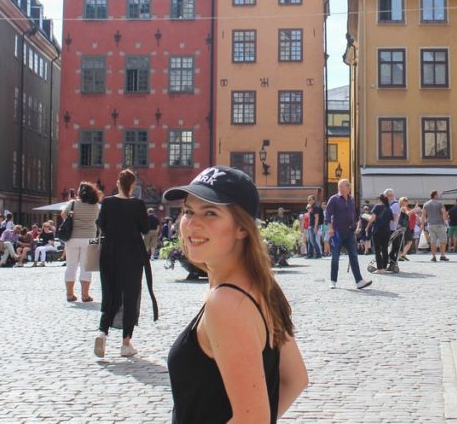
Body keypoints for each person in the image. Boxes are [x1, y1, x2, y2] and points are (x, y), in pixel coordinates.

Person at [164, 165, 308, 422]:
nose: (193, 224)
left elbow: (252, 420)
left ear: (242, 228)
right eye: (188, 211)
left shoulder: (227, 302)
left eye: (210, 213)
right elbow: (295, 379)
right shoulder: (260, 286)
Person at [94, 169, 158, 358]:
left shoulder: (107, 202)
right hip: (132, 253)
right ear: (132, 185)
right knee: (130, 295)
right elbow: (145, 228)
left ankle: (102, 333)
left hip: (110, 252)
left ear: (117, 183)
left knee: (110, 293)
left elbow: (101, 224)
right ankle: (126, 343)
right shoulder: (138, 204)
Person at [325, 179, 372, 290]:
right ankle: (333, 281)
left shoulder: (351, 199)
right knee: (335, 257)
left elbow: (353, 214)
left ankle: (359, 281)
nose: (349, 187)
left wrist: (356, 226)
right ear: (341, 187)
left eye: (349, 185)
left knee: (354, 256)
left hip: (350, 232)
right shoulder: (334, 199)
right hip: (337, 232)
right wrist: (330, 228)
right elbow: (328, 215)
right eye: (347, 185)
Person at [65, 182, 102, 302]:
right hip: (90, 237)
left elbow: (64, 215)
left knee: (71, 266)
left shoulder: (73, 204)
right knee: (86, 267)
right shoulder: (95, 206)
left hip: (72, 237)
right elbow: (96, 219)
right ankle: (85, 295)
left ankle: (70, 294)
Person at [422, 190, 448, 262]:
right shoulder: (440, 203)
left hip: (430, 225)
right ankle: (442, 255)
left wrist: (422, 224)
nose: (438, 195)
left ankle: (433, 256)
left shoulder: (426, 204)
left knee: (433, 241)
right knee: (443, 240)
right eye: (437, 194)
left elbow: (423, 215)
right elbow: (443, 213)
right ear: (435, 195)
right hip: (439, 224)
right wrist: (445, 221)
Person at [369, 194, 392, 273]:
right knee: (385, 249)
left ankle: (379, 269)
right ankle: (384, 268)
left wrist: (367, 219)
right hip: (386, 231)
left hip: (377, 230)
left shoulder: (377, 207)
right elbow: (393, 219)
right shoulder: (389, 208)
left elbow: (372, 218)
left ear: (379, 200)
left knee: (377, 250)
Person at [305, 195, 322, 259]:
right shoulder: (311, 207)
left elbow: (316, 218)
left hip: (313, 225)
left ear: (314, 200)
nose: (309, 201)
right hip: (310, 225)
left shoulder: (315, 207)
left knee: (313, 240)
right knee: (309, 240)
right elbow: (310, 217)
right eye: (308, 200)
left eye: (310, 199)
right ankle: (310, 254)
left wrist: (315, 227)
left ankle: (318, 254)